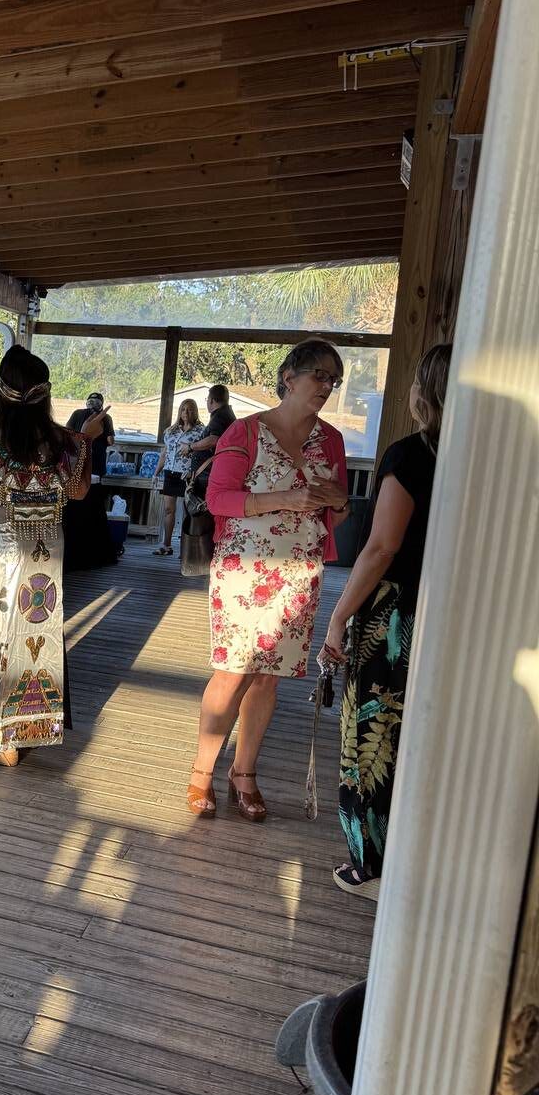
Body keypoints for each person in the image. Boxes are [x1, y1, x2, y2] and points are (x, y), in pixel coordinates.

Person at [187, 339, 349, 820]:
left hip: (299, 572)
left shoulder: (332, 440)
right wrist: (283, 498)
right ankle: (201, 773)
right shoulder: (245, 432)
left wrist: (337, 502)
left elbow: (335, 514)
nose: (326, 386)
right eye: (318, 375)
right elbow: (218, 500)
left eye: (333, 380)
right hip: (246, 570)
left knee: (268, 678)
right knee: (234, 671)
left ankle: (244, 772)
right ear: (289, 377)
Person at [321, 343, 452, 898]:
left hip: (398, 614)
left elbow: (380, 548)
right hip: (456, 605)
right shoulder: (495, 455)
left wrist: (337, 618)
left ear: (425, 391)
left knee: (374, 732)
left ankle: (370, 866)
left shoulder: (412, 456)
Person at [0, 346, 102, 768]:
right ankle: (30, 727)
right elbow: (79, 492)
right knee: (40, 636)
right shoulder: (68, 445)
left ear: (1, 390)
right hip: (47, 550)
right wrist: (87, 436)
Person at [63, 391, 117, 569]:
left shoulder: (78, 414)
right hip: (93, 464)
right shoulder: (104, 418)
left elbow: (67, 434)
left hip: (79, 464)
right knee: (93, 501)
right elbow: (110, 441)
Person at [151, 397, 203, 555]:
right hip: (171, 472)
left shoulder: (201, 431)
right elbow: (164, 454)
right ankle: (166, 545)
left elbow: (203, 453)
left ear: (194, 411)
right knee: (168, 509)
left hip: (187, 475)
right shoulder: (171, 431)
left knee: (188, 511)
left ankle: (186, 549)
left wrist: (195, 471)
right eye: (183, 409)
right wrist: (156, 473)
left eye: (189, 409)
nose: (185, 412)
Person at [186, 384, 236, 474]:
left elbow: (214, 440)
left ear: (211, 400)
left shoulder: (220, 416)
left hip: (208, 473)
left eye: (207, 399)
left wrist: (190, 447)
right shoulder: (226, 414)